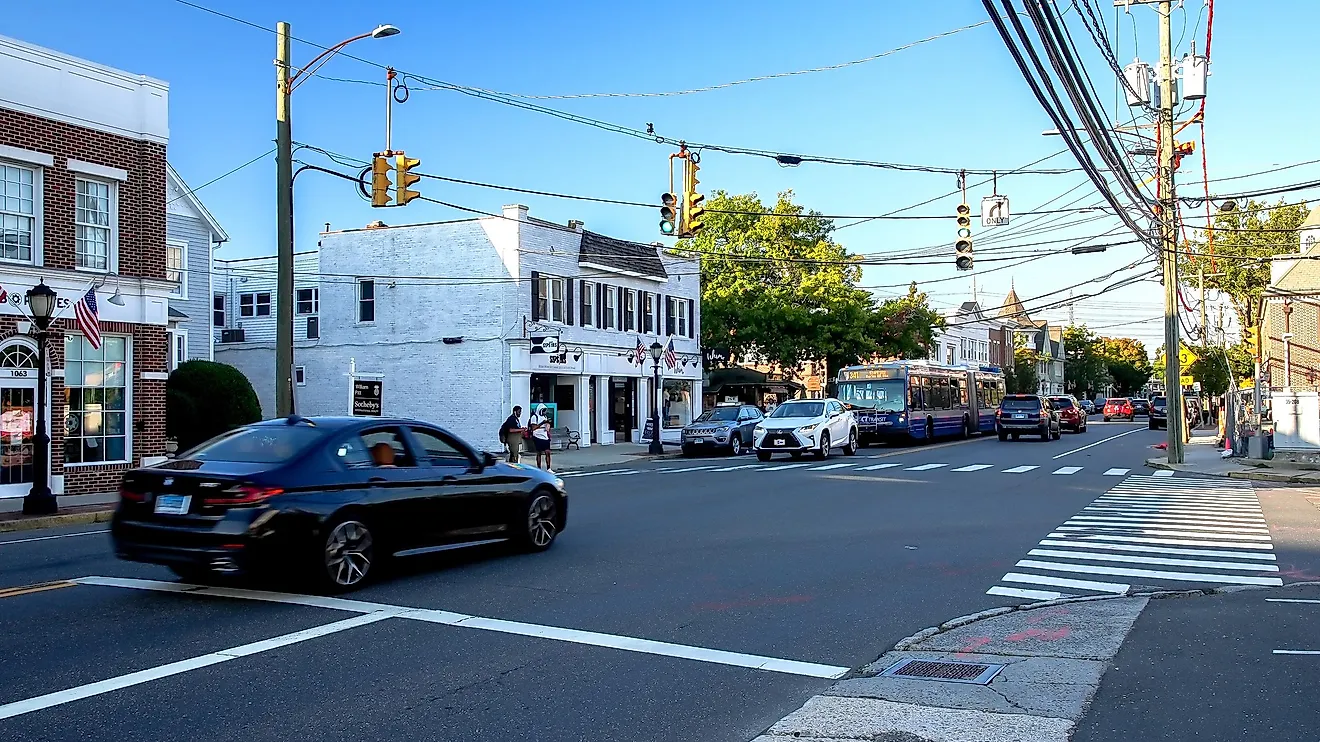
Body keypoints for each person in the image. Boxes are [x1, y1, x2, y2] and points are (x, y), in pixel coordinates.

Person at [529, 404, 553, 472]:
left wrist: (548, 424)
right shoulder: (534, 417)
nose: (544, 412)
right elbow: (533, 428)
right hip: (537, 436)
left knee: (547, 452)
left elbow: (546, 426)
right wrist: (542, 423)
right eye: (543, 410)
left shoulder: (544, 416)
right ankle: (539, 468)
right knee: (539, 453)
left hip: (545, 436)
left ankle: (549, 468)